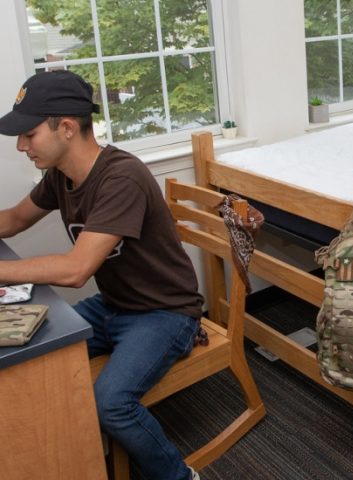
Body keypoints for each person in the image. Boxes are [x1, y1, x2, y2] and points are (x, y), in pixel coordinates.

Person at [0, 70, 204, 480]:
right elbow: (15, 218)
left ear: (68, 128)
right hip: (115, 306)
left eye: (29, 134)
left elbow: (77, 270)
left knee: (110, 402)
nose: (22, 145)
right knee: (37, 360)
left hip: (166, 314)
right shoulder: (61, 175)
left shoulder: (121, 177)